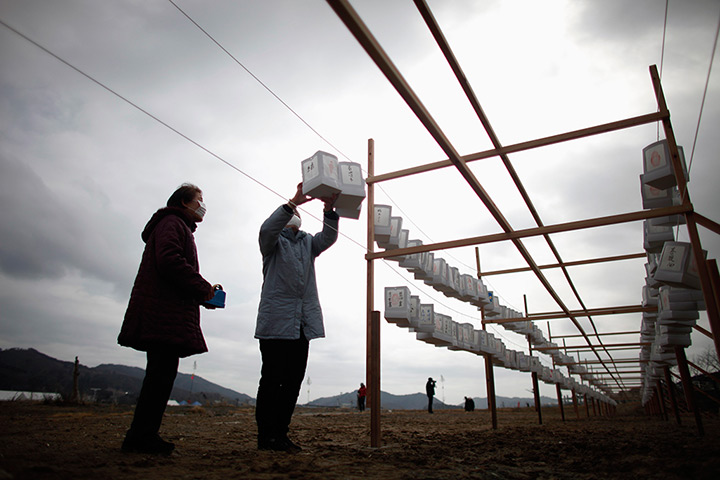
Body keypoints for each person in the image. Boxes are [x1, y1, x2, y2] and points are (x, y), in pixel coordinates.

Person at [118, 183, 216, 455]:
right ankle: (140, 437)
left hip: (163, 311)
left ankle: (142, 434)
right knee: (160, 376)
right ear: (184, 202)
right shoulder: (173, 223)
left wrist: (201, 296)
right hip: (163, 313)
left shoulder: (174, 225)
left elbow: (171, 268)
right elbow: (170, 261)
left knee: (160, 375)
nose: (203, 205)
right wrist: (202, 287)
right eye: (199, 199)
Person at [254, 183, 339, 452]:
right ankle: (266, 435)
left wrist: (329, 209)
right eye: (294, 216)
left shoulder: (307, 243)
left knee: (292, 382)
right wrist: (293, 202)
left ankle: (281, 433)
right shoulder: (272, 243)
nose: (297, 220)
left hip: (302, 325)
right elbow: (266, 230)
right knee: (271, 380)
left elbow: (329, 237)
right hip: (276, 324)